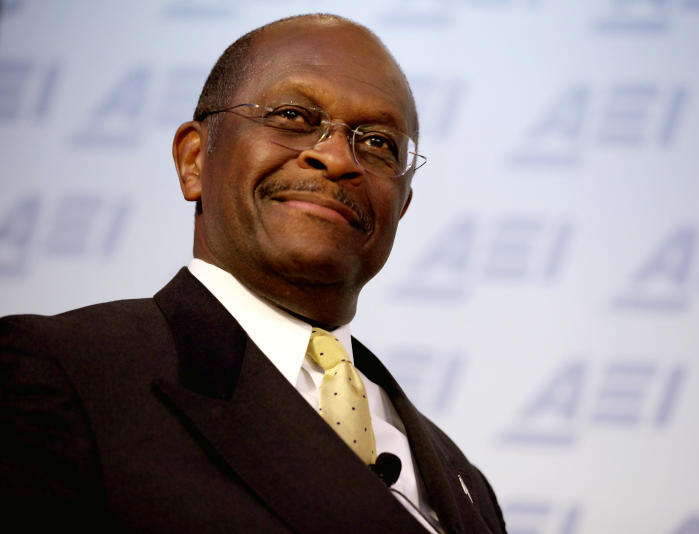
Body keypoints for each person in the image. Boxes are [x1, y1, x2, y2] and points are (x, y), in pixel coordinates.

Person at [0, 13, 506, 533]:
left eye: (378, 143)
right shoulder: (62, 373)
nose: (337, 158)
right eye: (292, 116)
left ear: (402, 206)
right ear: (195, 160)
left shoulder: (464, 481)